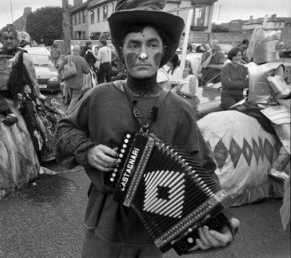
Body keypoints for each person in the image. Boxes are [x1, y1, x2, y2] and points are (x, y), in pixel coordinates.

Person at [55, 0, 239, 257]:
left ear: (163, 52)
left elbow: (203, 171)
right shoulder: (99, 96)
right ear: (121, 50)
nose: (142, 54)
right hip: (103, 224)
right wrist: (87, 150)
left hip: (152, 230)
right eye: (134, 44)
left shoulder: (180, 110)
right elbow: (64, 129)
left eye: (152, 45)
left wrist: (222, 224)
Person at [0, 24, 54, 161]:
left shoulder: (24, 58)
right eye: (6, 38)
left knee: (32, 127)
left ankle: (38, 160)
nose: (9, 41)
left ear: (17, 39)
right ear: (0, 39)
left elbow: (33, 81)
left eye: (12, 38)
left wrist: (38, 99)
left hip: (17, 98)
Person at [58, 45, 90, 113]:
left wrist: (60, 76)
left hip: (68, 83)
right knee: (75, 98)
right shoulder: (82, 59)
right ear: (79, 51)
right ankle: (68, 113)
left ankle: (76, 112)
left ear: (73, 51)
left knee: (73, 99)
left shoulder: (67, 58)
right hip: (78, 83)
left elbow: (60, 68)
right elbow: (87, 71)